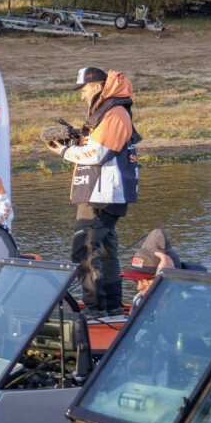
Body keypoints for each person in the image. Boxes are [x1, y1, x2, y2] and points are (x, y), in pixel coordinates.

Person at [48, 67, 140, 318]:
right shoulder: (110, 111)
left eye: (84, 88)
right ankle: (111, 307)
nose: (82, 94)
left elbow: (98, 154)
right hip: (105, 194)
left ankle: (94, 309)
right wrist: (77, 141)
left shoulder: (113, 113)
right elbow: (98, 148)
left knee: (84, 251)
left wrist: (64, 151)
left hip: (101, 195)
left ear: (99, 86)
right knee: (106, 252)